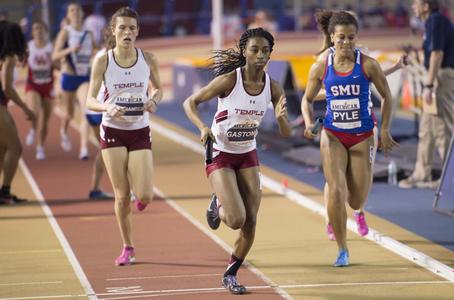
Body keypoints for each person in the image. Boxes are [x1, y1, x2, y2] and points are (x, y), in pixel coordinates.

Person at [183, 27, 291, 294]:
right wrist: (201, 127)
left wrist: (280, 118)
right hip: (220, 152)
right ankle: (218, 202)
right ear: (244, 52)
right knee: (235, 219)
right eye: (255, 50)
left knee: (251, 221)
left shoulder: (273, 88)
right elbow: (190, 103)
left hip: (247, 153)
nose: (261, 55)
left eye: (266, 51)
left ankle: (231, 273)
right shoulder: (230, 81)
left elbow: (287, 133)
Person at [301, 11, 397, 267]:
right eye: (341, 38)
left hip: (362, 136)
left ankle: (356, 214)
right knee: (335, 190)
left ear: (356, 38)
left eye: (351, 38)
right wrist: (310, 122)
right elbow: (306, 99)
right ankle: (343, 249)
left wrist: (385, 129)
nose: (346, 43)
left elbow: (387, 96)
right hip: (332, 134)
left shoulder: (368, 64)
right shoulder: (321, 65)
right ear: (331, 38)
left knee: (355, 199)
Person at [86, 6, 162, 265]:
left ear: (138, 31)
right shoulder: (103, 60)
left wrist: (154, 100)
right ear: (113, 31)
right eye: (122, 28)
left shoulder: (148, 59)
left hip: (139, 129)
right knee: (121, 194)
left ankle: (139, 200)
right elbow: (89, 100)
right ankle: (128, 247)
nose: (127, 32)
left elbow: (158, 89)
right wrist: (108, 106)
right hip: (113, 130)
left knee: (145, 195)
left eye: (131, 28)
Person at [398, 0, 454, 189]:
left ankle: (449, 178)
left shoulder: (435, 20)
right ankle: (422, 173)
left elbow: (437, 54)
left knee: (441, 129)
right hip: (436, 75)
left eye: (416, 3)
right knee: (426, 130)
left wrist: (429, 84)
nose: (413, 7)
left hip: (440, 77)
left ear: (426, 6)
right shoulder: (432, 22)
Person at [53, 2, 96, 159]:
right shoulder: (65, 33)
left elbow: (96, 49)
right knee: (69, 114)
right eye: (72, 10)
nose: (76, 12)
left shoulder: (89, 33)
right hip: (69, 77)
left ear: (82, 14)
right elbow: (55, 56)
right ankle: (64, 130)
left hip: (84, 77)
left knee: (87, 111)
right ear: (68, 15)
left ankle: (83, 148)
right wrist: (70, 50)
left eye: (78, 10)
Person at [0, 21, 36, 204]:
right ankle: (4, 193)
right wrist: (26, 108)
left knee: (3, 148)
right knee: (15, 148)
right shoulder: (7, 58)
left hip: (2, 106)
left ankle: (3, 192)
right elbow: (7, 87)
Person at [86, 27, 115, 200]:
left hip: (99, 109)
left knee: (106, 151)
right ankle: (126, 189)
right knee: (109, 150)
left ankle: (95, 188)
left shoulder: (110, 55)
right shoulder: (103, 57)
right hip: (99, 109)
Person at [24, 21, 55, 160]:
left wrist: (53, 61)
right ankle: (32, 129)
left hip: (48, 86)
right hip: (33, 85)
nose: (38, 31)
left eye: (41, 29)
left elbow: (59, 66)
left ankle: (40, 146)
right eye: (35, 28)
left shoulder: (51, 47)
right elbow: (21, 63)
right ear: (32, 32)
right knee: (34, 112)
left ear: (46, 32)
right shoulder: (29, 47)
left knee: (45, 120)